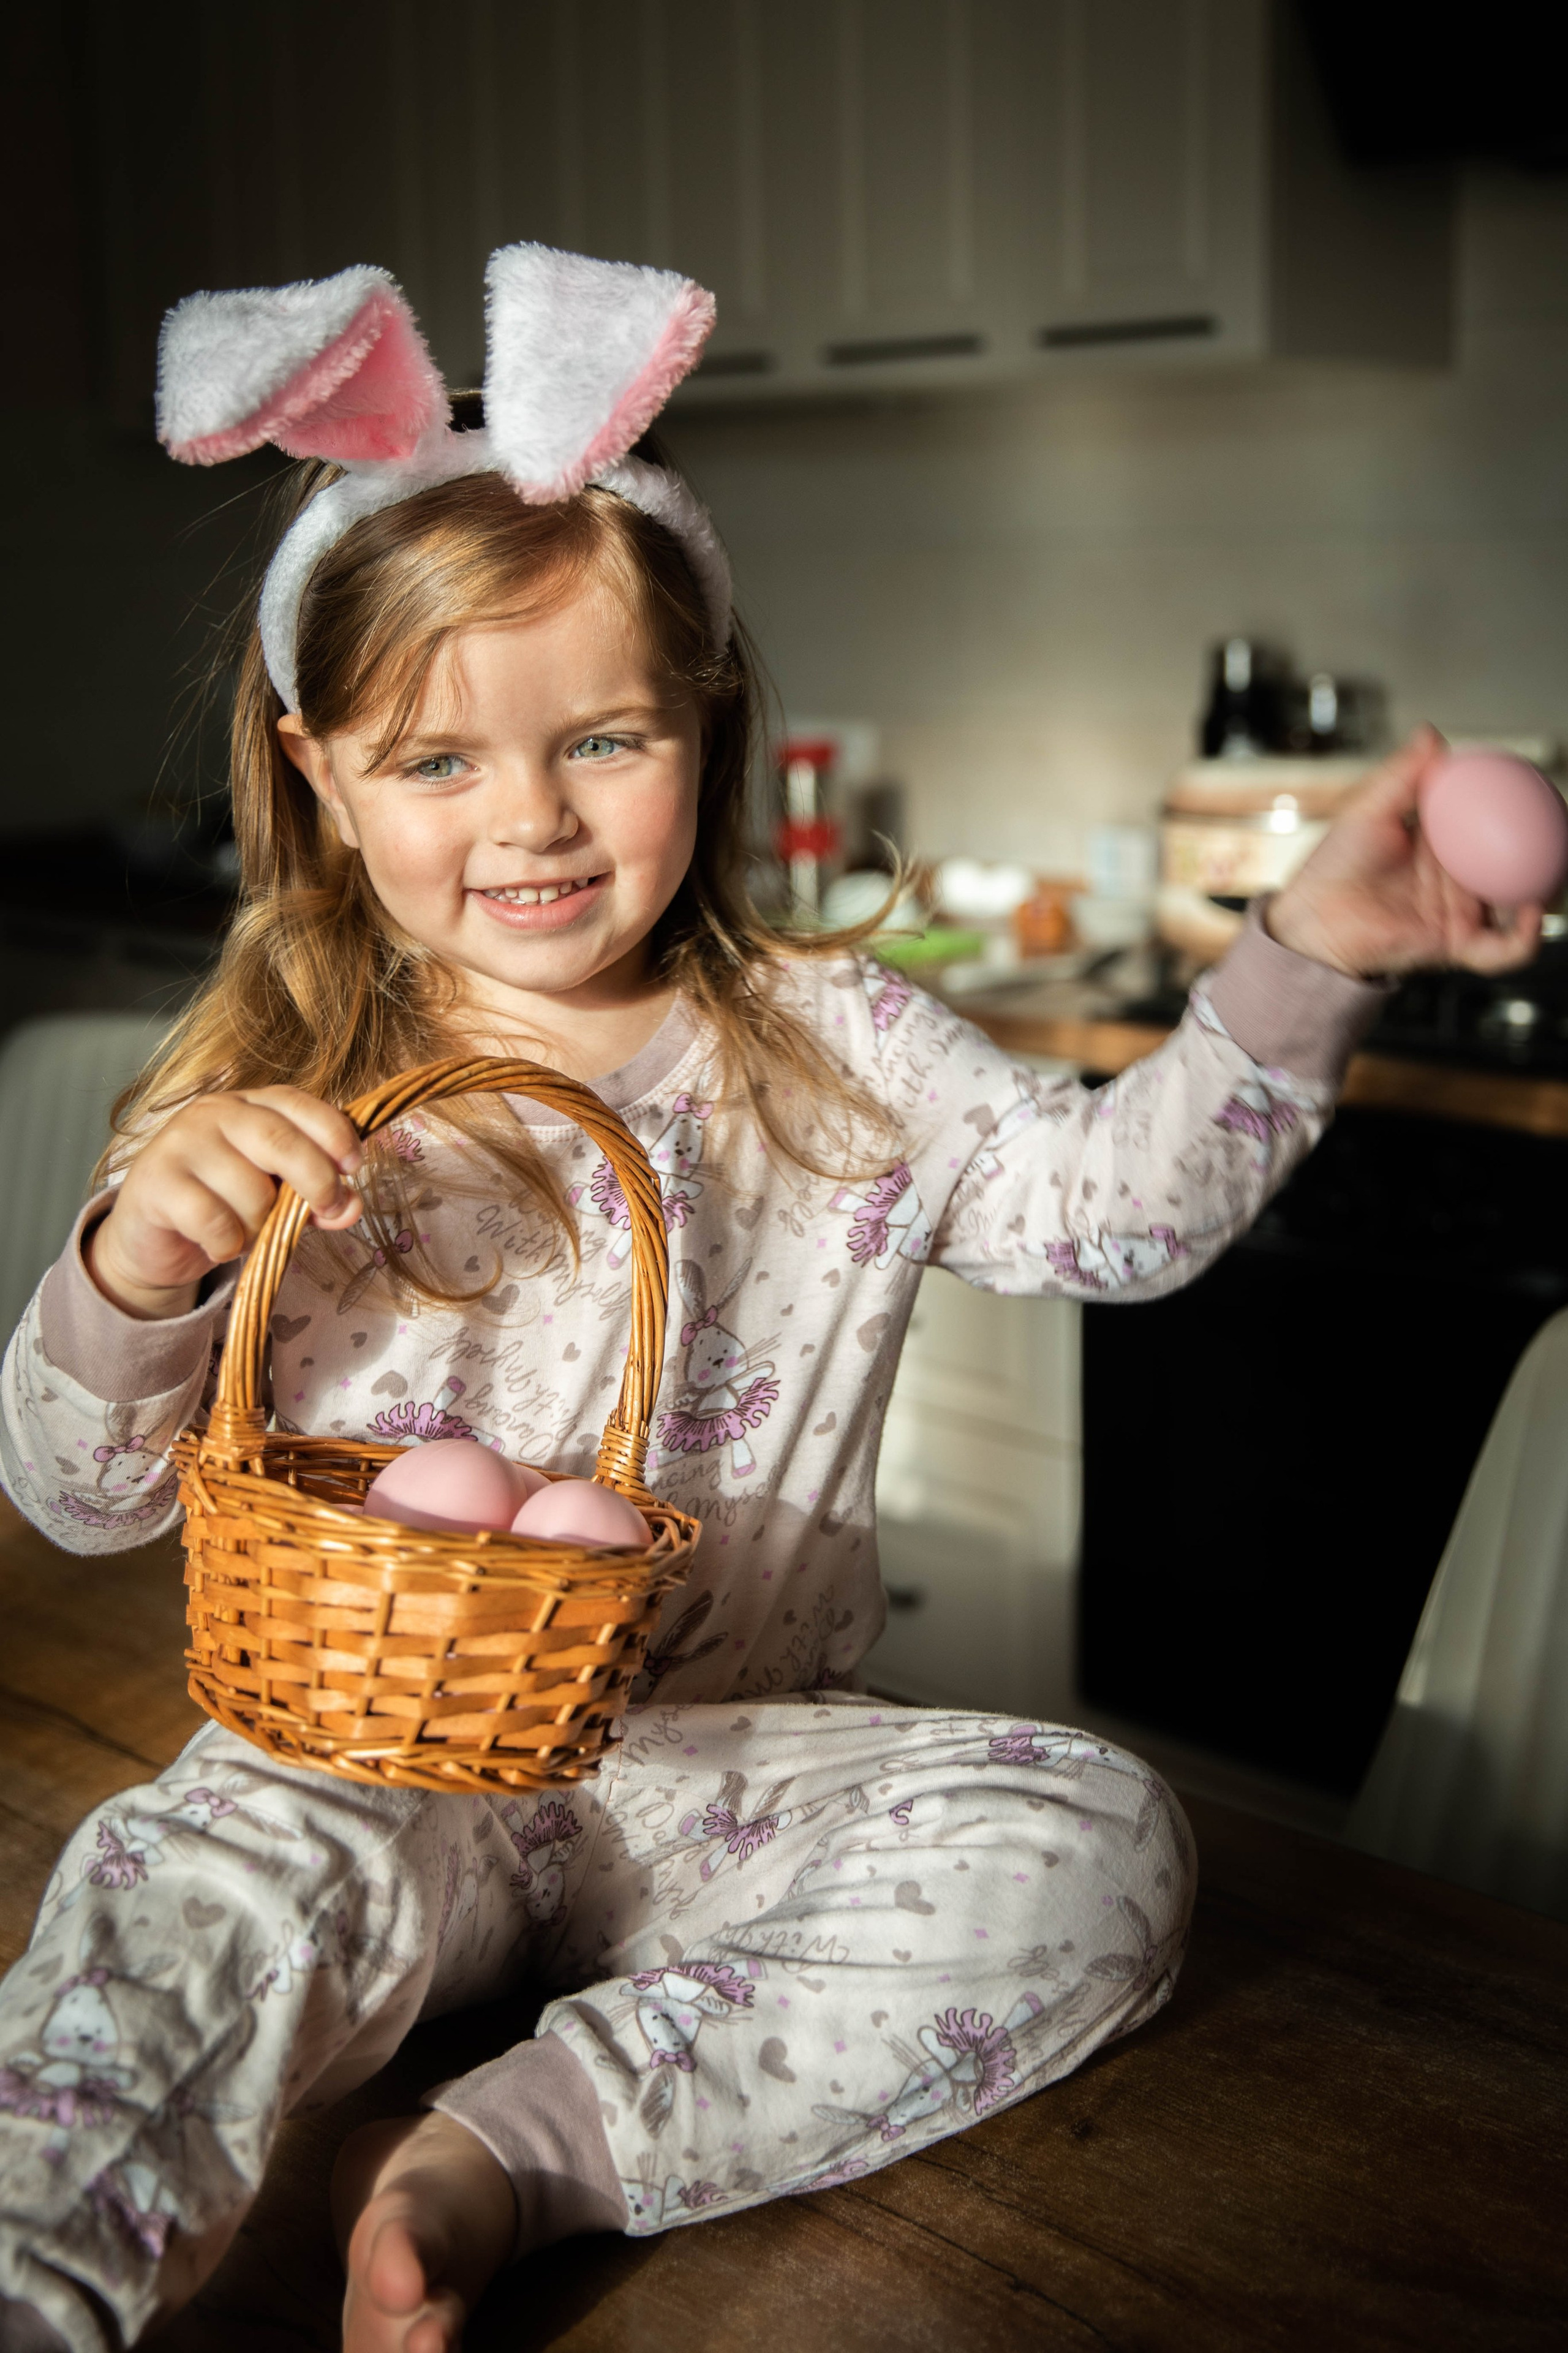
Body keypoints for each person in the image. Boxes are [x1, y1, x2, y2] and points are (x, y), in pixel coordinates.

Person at [0, 246, 1540, 2353]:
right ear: (318, 770)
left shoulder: (840, 1048)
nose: (530, 818)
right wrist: (133, 1265)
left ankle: (506, 2149)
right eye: (435, 762)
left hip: (723, 1777)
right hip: (353, 1765)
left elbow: (1121, 1215)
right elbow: (80, 1501)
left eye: (603, 736)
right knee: (165, 1916)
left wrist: (1316, 946)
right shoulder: (271, 1096)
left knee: (1095, 1844)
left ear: (705, 722)